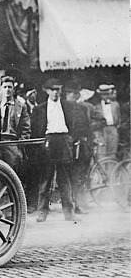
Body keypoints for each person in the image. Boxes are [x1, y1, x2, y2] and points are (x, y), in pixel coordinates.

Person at [31, 78, 80, 222]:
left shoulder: (68, 106)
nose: (55, 92)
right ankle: (42, 212)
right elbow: (35, 130)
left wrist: (70, 138)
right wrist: (41, 145)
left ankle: (69, 213)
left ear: (61, 90)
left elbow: (74, 125)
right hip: (48, 142)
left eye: (58, 89)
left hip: (63, 141)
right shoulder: (39, 109)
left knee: (64, 178)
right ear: (46, 90)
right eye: (52, 89)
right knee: (46, 179)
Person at [0, 76, 31, 171]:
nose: (7, 90)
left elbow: (26, 129)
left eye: (10, 87)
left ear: (13, 89)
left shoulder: (21, 107)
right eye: (5, 87)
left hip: (13, 145)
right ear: (1, 88)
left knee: (13, 174)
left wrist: (19, 148)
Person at [63, 80, 93, 214]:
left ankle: (81, 203)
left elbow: (87, 127)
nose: (73, 96)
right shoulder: (63, 108)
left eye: (75, 94)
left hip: (82, 146)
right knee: (71, 176)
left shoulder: (82, 108)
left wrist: (88, 142)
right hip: (69, 146)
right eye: (70, 93)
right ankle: (73, 204)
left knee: (82, 175)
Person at [91, 84, 120, 159]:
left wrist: (115, 128)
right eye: (104, 95)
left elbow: (118, 118)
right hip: (102, 130)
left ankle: (111, 170)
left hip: (113, 129)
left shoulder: (115, 105)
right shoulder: (97, 107)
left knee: (112, 151)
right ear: (100, 96)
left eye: (108, 94)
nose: (106, 96)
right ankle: (103, 170)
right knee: (102, 152)